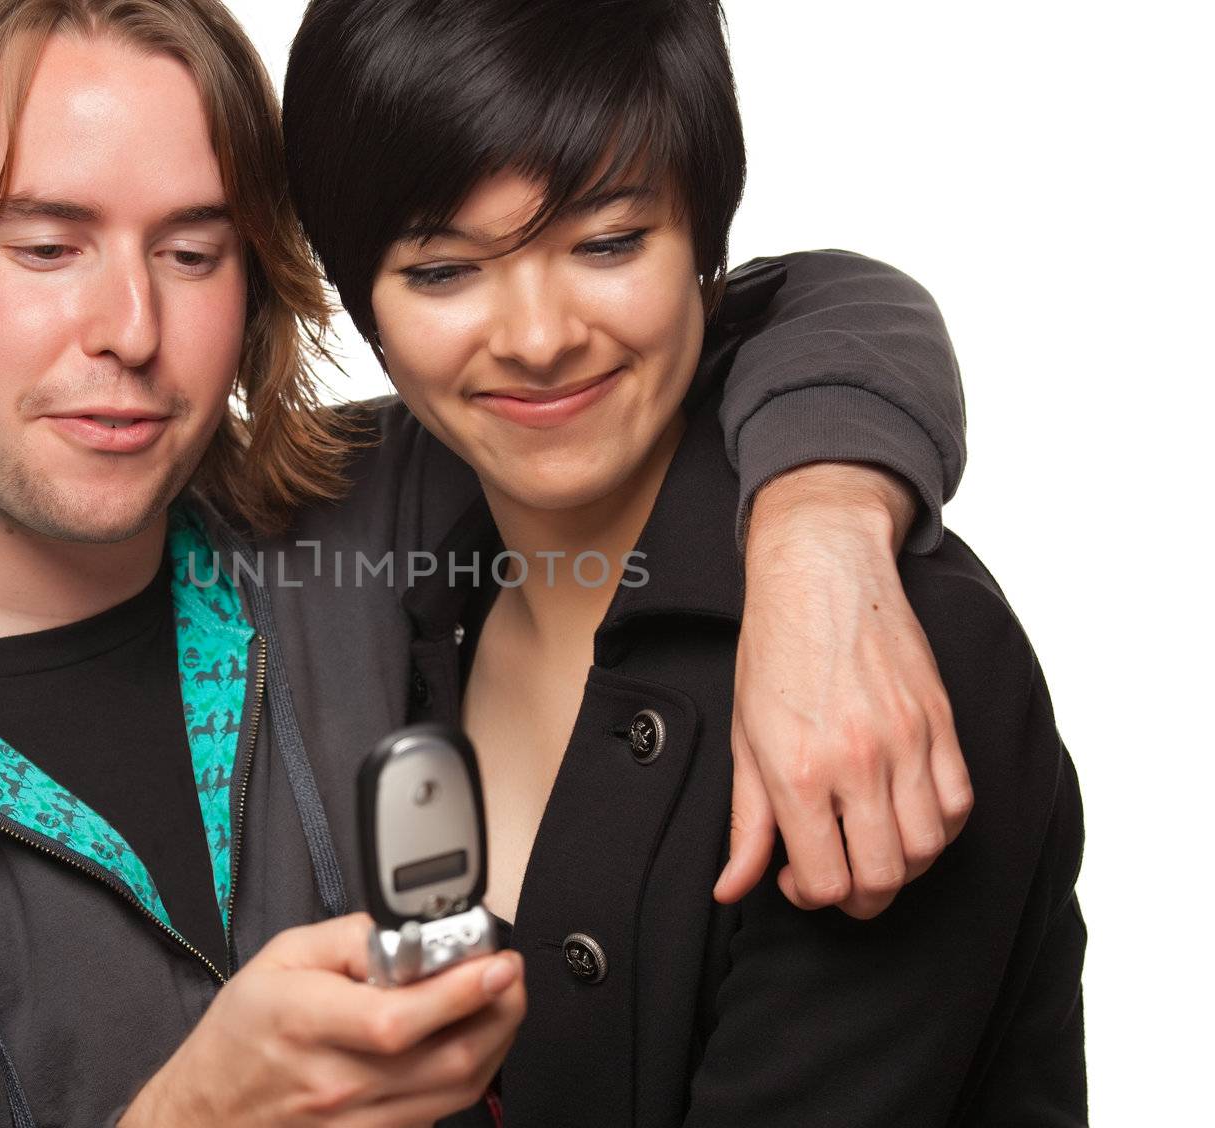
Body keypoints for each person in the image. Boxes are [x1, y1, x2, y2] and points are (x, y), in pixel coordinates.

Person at [0, 0, 975, 1124]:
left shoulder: (351, 513)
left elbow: (799, 307)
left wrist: (821, 548)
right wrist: (195, 1116)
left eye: (193, 251)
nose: (129, 326)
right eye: (48, 246)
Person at [278, 0, 1086, 1124]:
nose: (538, 336)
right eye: (444, 272)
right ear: (359, 299)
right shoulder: (397, 596)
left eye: (607, 243)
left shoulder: (884, 667)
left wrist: (821, 537)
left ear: (704, 238)